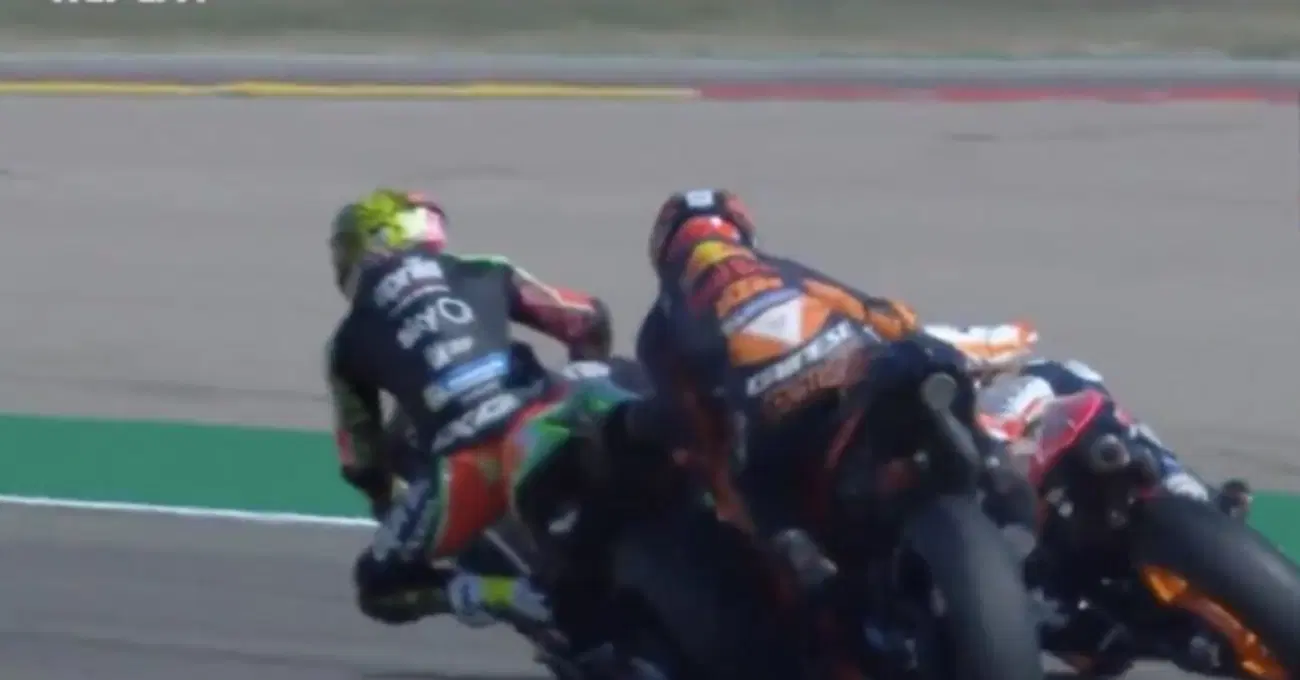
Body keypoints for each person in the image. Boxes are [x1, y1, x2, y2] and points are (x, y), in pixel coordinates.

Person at [613, 187, 1036, 602]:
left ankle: (806, 565)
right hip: (855, 377)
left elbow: (689, 417)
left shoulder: (660, 326)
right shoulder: (781, 269)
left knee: (758, 495)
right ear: (741, 231)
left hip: (775, 416)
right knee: (937, 381)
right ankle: (1002, 484)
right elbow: (881, 315)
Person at [324, 188, 626, 630]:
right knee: (633, 395)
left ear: (375, 239)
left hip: (469, 469)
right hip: (545, 417)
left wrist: (384, 502)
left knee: (377, 588)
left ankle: (504, 594)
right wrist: (586, 376)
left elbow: (361, 458)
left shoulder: (347, 341)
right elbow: (585, 318)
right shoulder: (483, 268)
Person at [973, 355, 1253, 676]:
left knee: (1071, 378)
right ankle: (1086, 635)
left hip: (1064, 470)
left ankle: (1178, 482)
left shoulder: (1022, 375)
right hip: (1025, 531)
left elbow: (1003, 343)